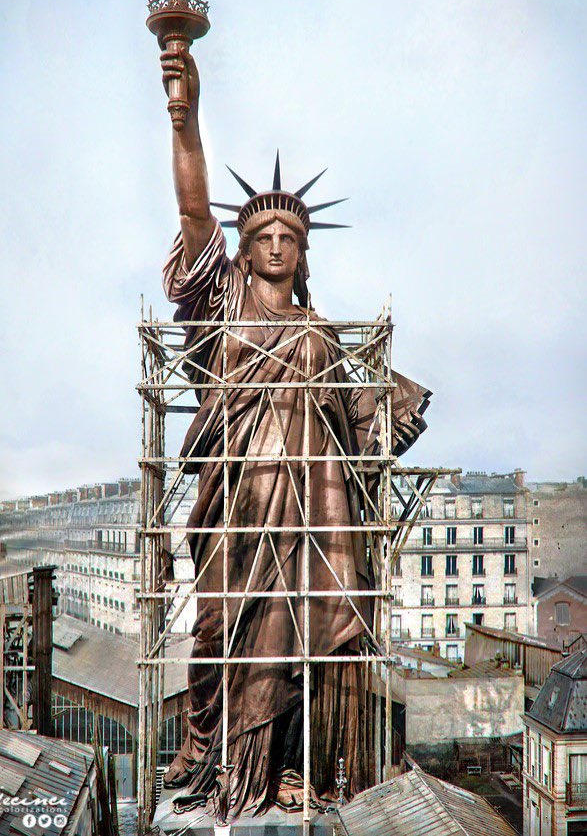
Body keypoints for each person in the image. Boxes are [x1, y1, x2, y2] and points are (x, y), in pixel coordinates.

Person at [159, 47, 429, 821]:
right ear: (243, 250)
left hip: (310, 508)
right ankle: (215, 754)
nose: (276, 244)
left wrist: (393, 410)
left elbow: (363, 421)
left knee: (299, 639)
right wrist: (184, 113)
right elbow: (193, 212)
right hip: (236, 501)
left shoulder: (318, 332)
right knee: (219, 629)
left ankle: (282, 767)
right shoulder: (225, 300)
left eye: (290, 236)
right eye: (263, 234)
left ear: (302, 253)